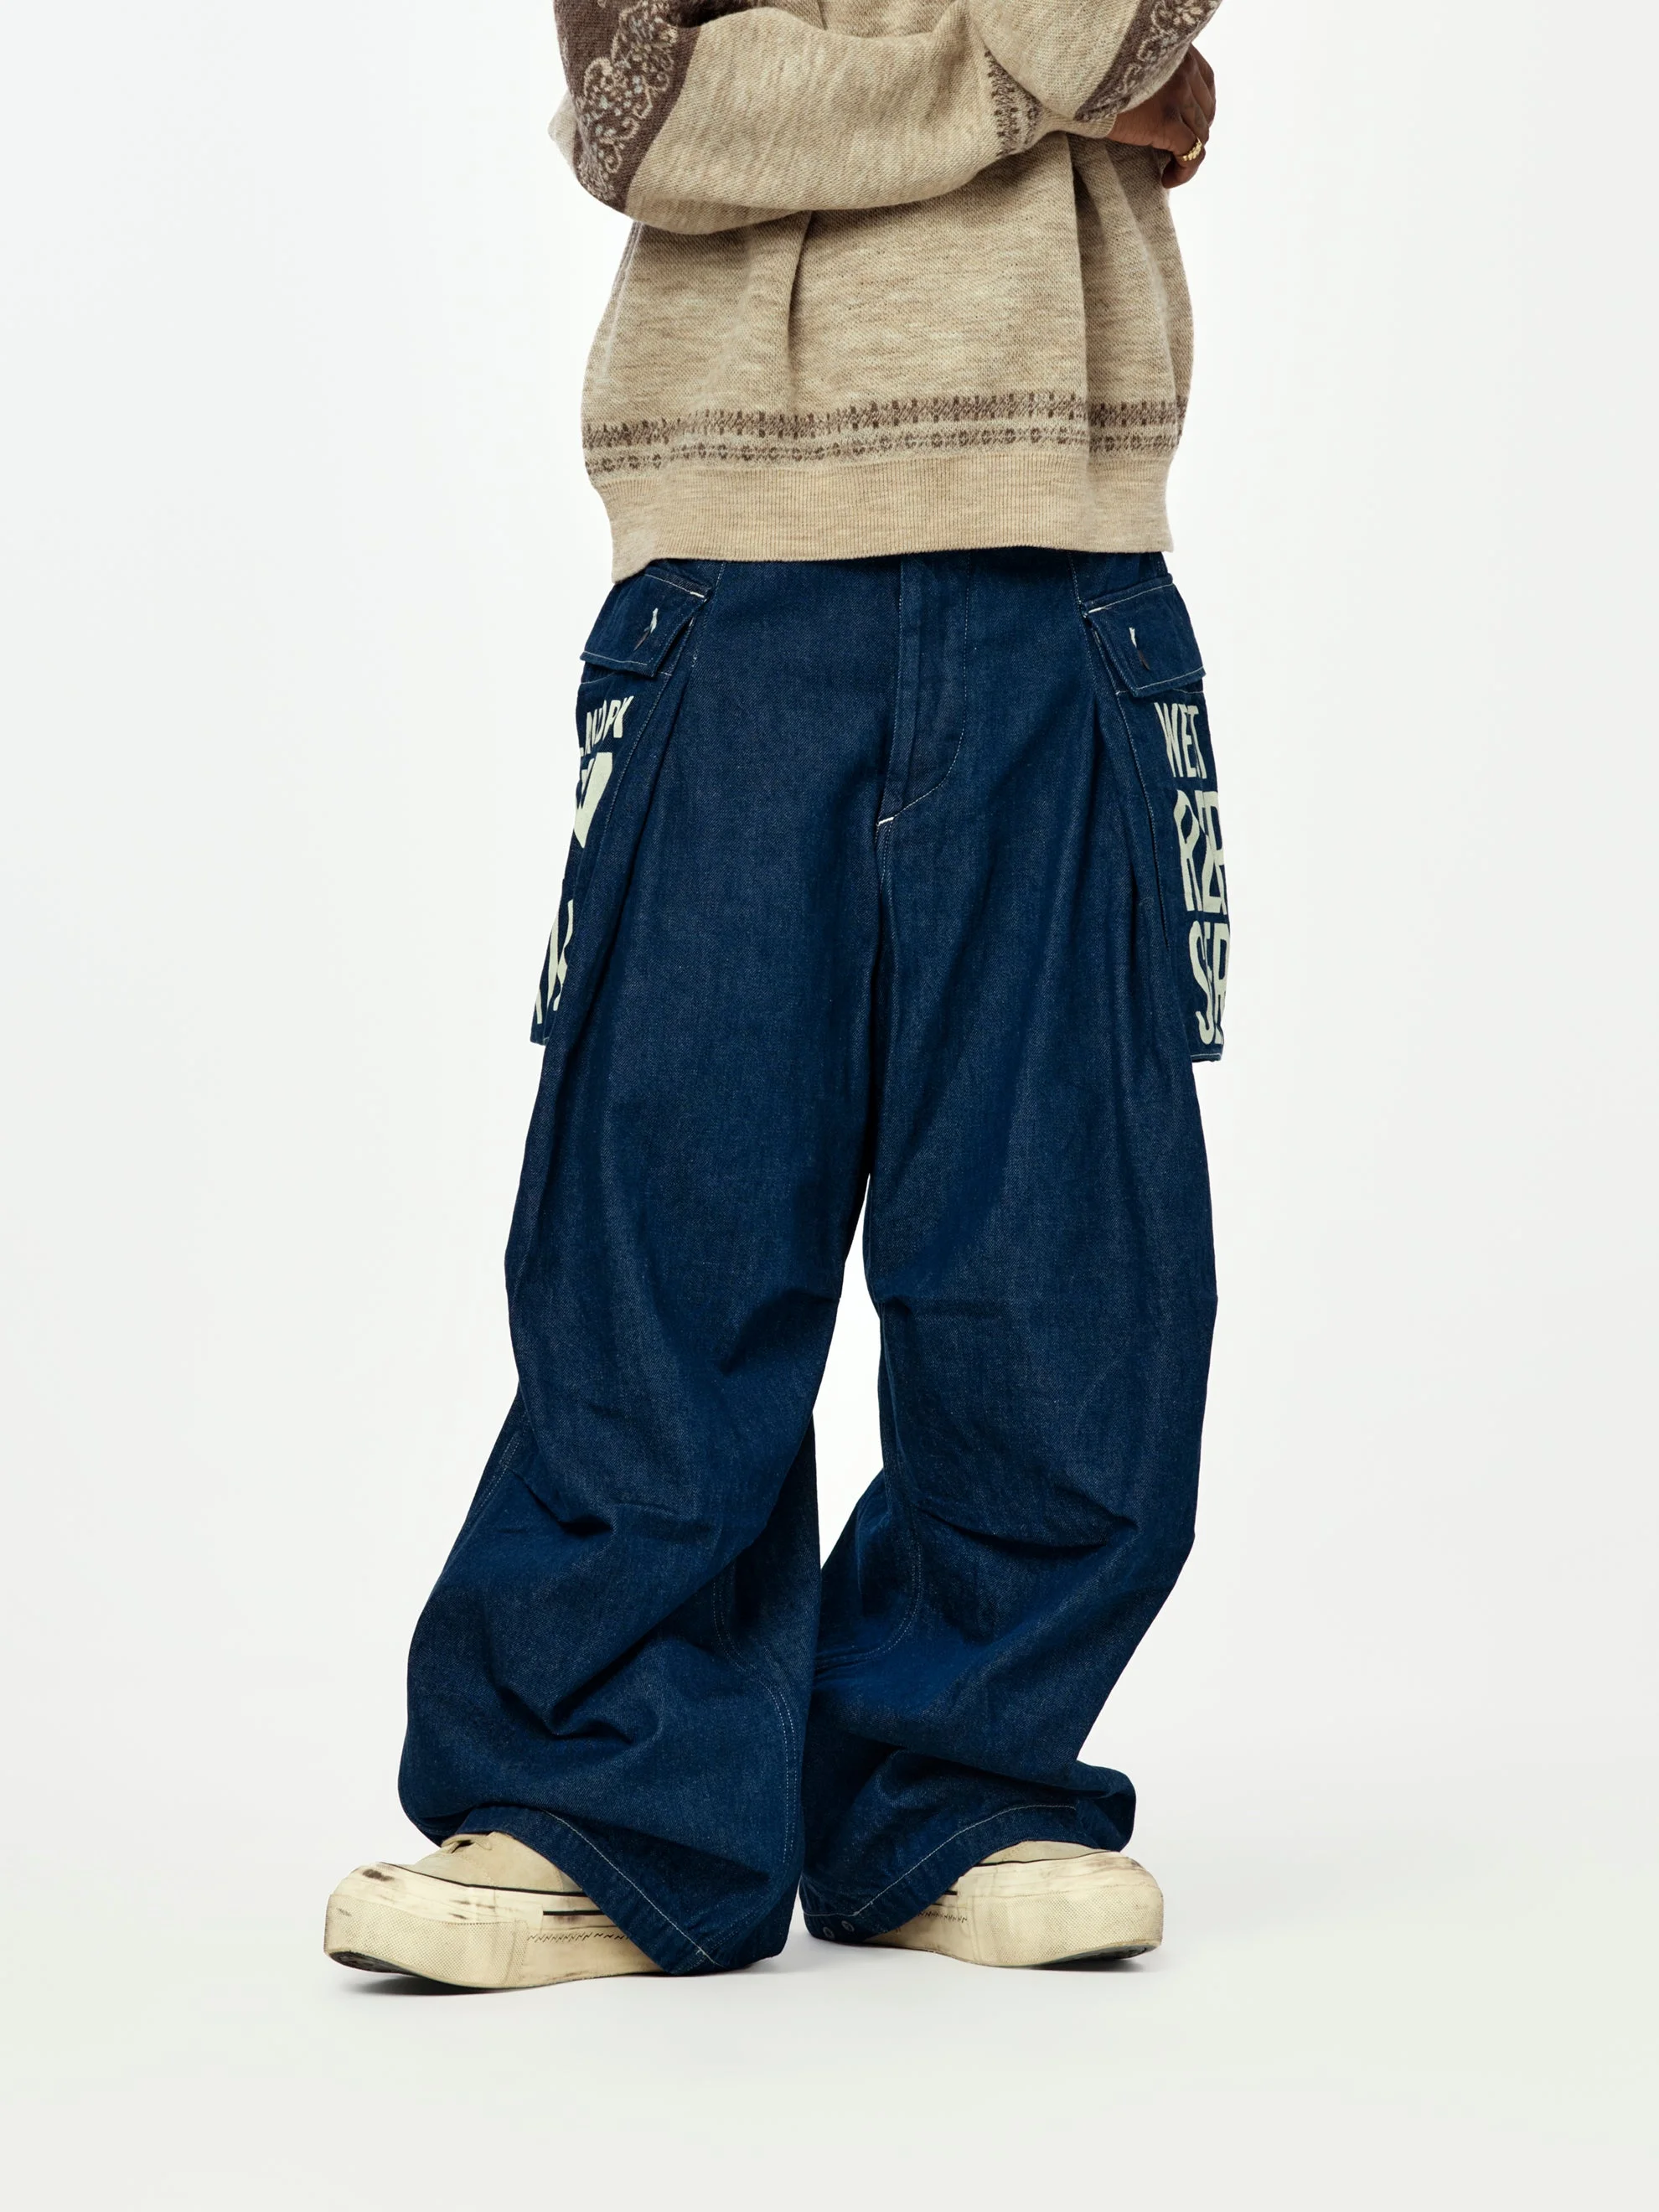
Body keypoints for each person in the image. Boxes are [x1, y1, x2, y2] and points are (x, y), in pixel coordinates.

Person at [326, 0, 1229, 1987]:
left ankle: (956, 1778)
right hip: (731, 585)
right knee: (670, 1215)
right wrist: (1035, 88)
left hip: (1063, 574)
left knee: (1066, 1243)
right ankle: (599, 1796)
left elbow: (1120, 37)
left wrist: (871, 59)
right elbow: (651, 116)